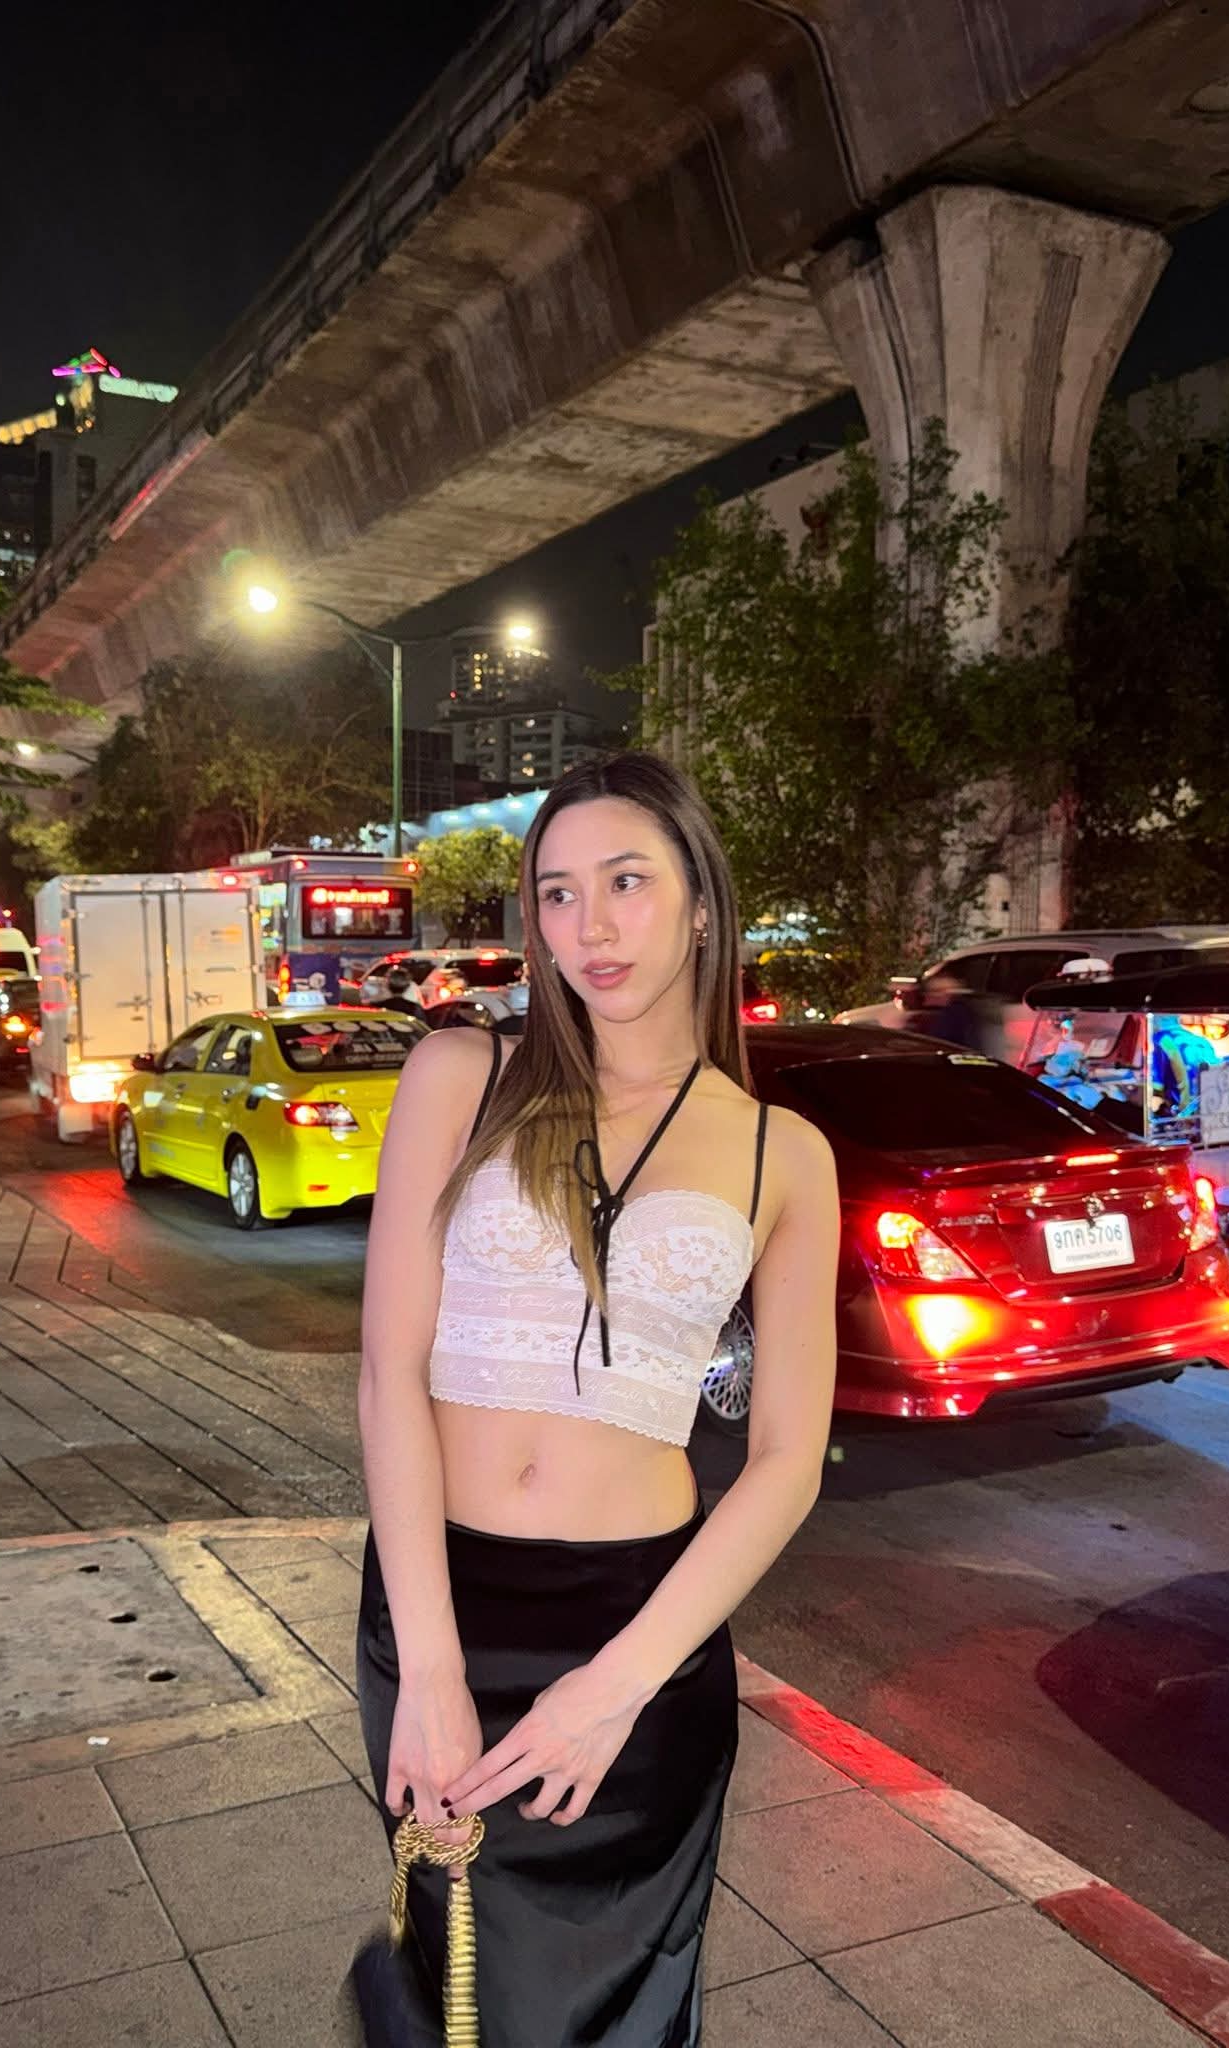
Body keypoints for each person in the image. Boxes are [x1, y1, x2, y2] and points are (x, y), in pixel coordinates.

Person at [356, 752, 839, 2044]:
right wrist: (431, 1666)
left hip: (644, 1627)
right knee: (463, 1984)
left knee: (614, 2011)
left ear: (701, 904)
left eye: (627, 881)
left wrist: (618, 1684)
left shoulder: (782, 1153)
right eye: (558, 893)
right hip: (440, 1605)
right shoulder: (462, 1074)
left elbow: (788, 1459)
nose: (590, 927)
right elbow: (390, 1370)